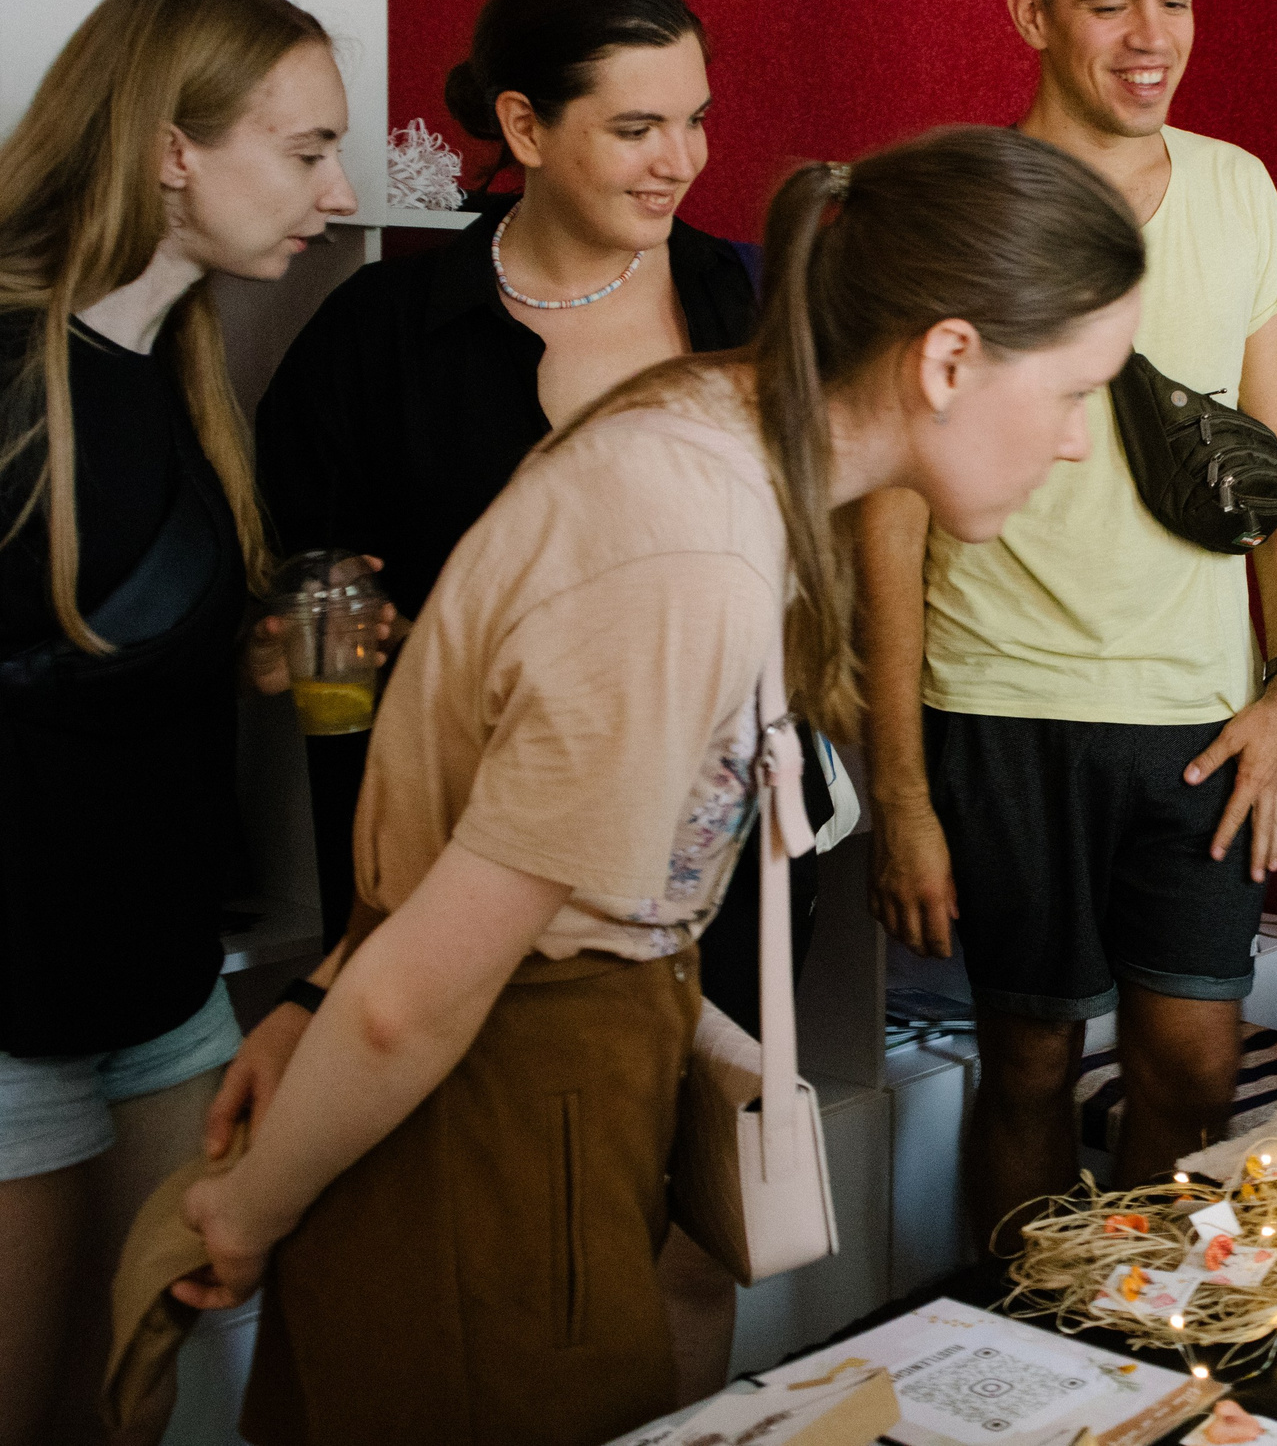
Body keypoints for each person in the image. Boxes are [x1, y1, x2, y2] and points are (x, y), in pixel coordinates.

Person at [173, 126, 1146, 1446]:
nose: (1080, 443)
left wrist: (315, 994)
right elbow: (425, 995)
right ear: (950, 356)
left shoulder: (715, 432)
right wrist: (245, 1209)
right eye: (1078, 390)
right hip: (498, 1114)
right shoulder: (689, 545)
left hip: (553, 1074)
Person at [241, 0, 758, 1397]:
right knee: (487, 1248)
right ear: (524, 129)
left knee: (701, 1221)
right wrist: (310, 640)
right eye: (638, 127)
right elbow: (291, 578)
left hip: (700, 863)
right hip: (455, 873)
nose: (683, 162)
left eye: (699, 119)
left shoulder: (737, 302)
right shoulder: (384, 335)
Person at [854, 0, 1277, 1248]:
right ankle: (1021, 1349)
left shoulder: (1241, 190)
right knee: (1031, 1069)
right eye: (1111, 4)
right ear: (1030, 14)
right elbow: (885, 502)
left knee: (1194, 1066)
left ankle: (1152, 1348)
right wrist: (902, 788)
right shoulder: (961, 208)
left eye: (1174, 1)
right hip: (1001, 704)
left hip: (1199, 716)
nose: (1153, 38)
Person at [0, 0, 357, 1446]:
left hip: (163, 988)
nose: (333, 194)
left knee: (132, 1403)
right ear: (171, 147)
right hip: (10, 1008)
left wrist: (249, 657)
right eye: (307, 148)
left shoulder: (186, 363)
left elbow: (88, 662)